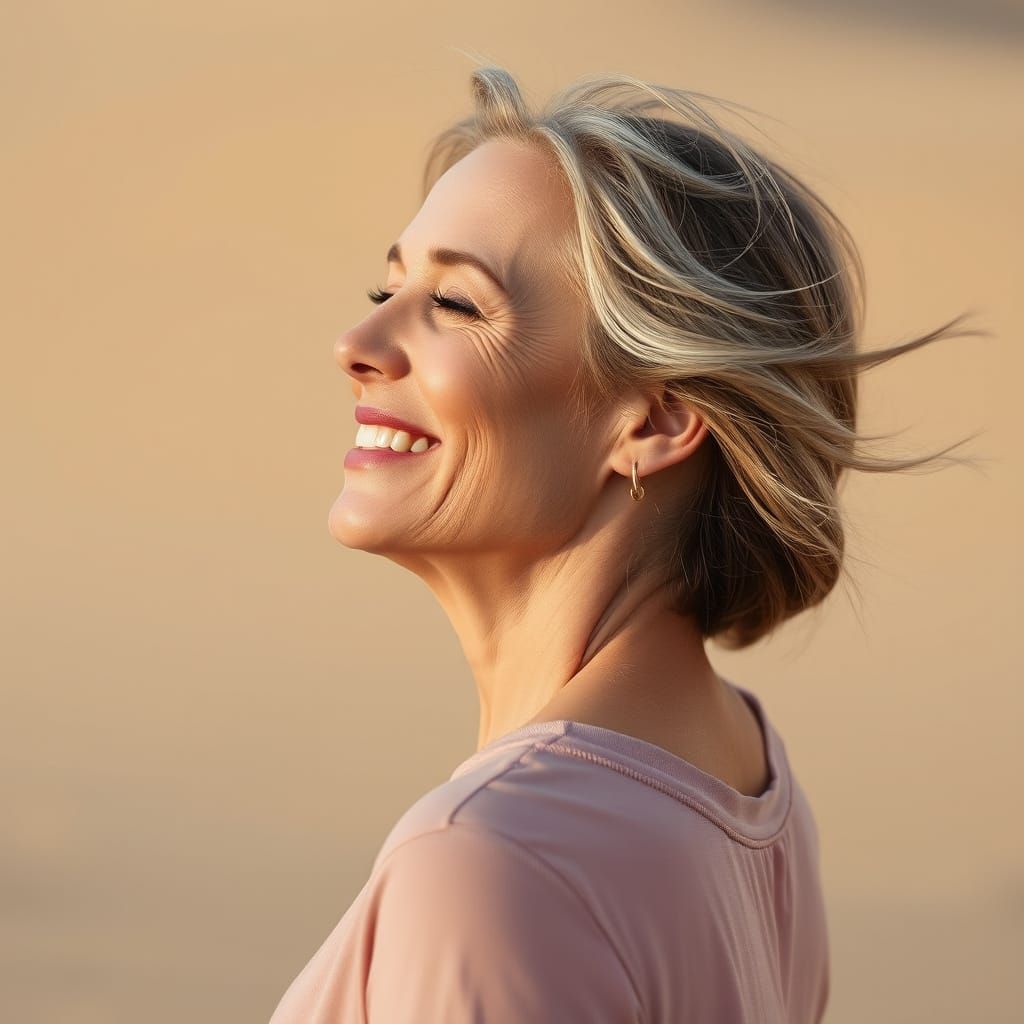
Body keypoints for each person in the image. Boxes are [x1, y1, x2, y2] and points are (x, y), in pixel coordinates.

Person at [270, 65, 982, 1023]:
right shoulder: (748, 786)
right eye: (388, 285)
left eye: (458, 304)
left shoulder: (484, 863)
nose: (358, 340)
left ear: (655, 419)